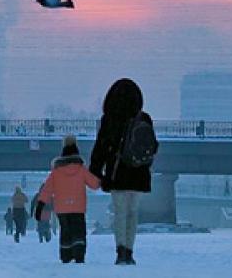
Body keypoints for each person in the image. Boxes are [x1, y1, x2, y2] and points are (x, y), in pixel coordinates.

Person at [90, 78, 158, 266]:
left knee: (120, 212)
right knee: (133, 212)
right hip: (138, 173)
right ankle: (129, 251)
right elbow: (153, 147)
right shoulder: (144, 118)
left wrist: (96, 169)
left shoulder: (110, 119)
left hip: (117, 173)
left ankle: (121, 251)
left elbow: (101, 146)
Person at [36, 135, 101, 263]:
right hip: (78, 208)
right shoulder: (81, 170)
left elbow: (47, 190)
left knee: (65, 231)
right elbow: (95, 184)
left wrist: (40, 205)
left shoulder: (56, 172)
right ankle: (79, 254)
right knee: (79, 231)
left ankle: (66, 255)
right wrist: (103, 179)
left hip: (62, 209)